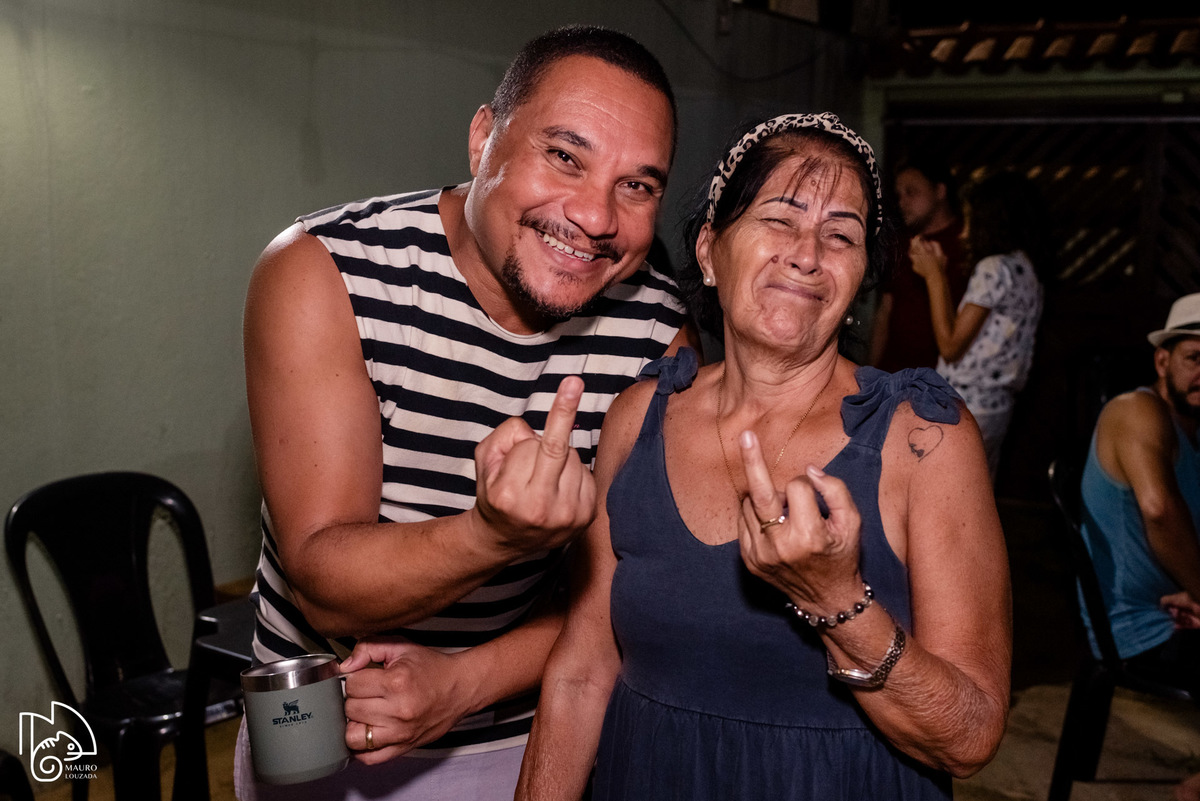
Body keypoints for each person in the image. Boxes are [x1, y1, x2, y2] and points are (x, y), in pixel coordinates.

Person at [238, 25, 698, 801]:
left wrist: (465, 680)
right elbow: (323, 580)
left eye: (637, 185)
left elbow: (628, 598)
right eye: (566, 156)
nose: (595, 215)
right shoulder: (328, 271)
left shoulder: (658, 331)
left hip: (526, 734)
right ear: (484, 137)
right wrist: (494, 535)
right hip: (322, 736)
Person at [516, 113, 1011, 800]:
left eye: (841, 235)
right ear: (710, 250)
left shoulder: (922, 438)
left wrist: (836, 600)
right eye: (780, 219)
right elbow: (581, 672)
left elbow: (969, 738)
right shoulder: (640, 418)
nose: (807, 255)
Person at [1078, 293, 1200, 801]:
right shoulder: (1137, 410)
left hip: (1181, 609)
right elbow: (1159, 510)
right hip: (1138, 626)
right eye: (1195, 358)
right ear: (1163, 361)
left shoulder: (1193, 430)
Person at [910, 170, 1048, 479]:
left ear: (990, 223)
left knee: (941, 489)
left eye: (970, 221)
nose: (964, 233)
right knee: (976, 490)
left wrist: (934, 276)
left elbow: (951, 347)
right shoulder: (1026, 267)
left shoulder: (993, 267)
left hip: (966, 405)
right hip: (997, 407)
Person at [869, 156, 969, 372]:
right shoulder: (900, 242)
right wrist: (872, 371)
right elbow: (886, 309)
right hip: (893, 372)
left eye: (912, 192)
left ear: (940, 191)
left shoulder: (967, 243)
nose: (902, 202)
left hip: (941, 377)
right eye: (899, 195)